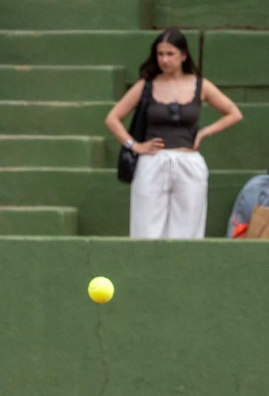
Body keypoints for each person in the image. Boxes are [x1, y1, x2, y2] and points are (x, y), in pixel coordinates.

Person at [104, 28, 243, 239]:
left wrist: (205, 132)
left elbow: (233, 113)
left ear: (183, 55)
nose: (164, 60)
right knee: (146, 228)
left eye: (170, 54)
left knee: (188, 228)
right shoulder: (146, 85)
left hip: (188, 160)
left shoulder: (199, 85)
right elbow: (112, 118)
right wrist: (135, 145)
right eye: (160, 54)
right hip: (152, 161)